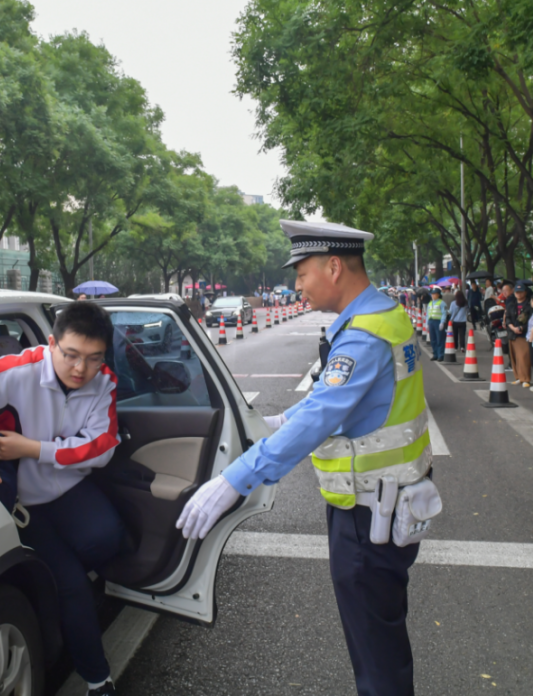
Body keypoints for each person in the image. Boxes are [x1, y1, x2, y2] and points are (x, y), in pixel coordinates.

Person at [177, 220, 435, 696]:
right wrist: (278, 424)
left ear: (333, 266)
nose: (297, 283)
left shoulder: (362, 336)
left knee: (376, 656)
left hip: (367, 517)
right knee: (384, 636)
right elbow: (333, 399)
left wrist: (237, 479)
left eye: (302, 271)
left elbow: (324, 412)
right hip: (397, 500)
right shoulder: (385, 315)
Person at [0, 302, 124, 696]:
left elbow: (102, 447)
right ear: (51, 343)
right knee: (71, 584)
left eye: (93, 359)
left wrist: (33, 448)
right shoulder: (13, 372)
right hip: (24, 505)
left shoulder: (104, 382)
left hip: (69, 488)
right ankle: (98, 680)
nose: (80, 370)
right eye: (70, 355)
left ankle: (55, 588)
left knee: (109, 538)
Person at [507, 284, 533, 387]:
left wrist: (522, 328)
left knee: (524, 357)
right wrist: (512, 328)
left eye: (521, 292)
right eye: (517, 292)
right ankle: (518, 377)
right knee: (514, 357)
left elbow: (531, 320)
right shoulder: (511, 304)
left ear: (525, 292)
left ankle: (526, 379)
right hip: (513, 334)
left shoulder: (529, 305)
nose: (519, 294)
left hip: (524, 335)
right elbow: (508, 318)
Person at [427, 287, 445, 360]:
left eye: (434, 294)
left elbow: (444, 313)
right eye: (432, 294)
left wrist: (442, 322)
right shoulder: (430, 303)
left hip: (438, 322)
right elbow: (427, 314)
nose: (433, 295)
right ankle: (435, 354)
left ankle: (440, 355)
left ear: (438, 295)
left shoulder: (442, 303)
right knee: (433, 339)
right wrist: (427, 323)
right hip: (431, 321)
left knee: (439, 339)